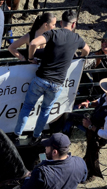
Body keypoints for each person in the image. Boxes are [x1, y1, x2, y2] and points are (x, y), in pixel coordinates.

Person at [13, 9, 90, 146]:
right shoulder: (77, 38)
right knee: (45, 110)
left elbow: (33, 43)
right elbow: (87, 51)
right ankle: (36, 136)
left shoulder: (53, 34)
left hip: (41, 78)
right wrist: (78, 59)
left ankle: (17, 135)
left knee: (27, 107)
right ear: (74, 24)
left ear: (61, 22)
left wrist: (30, 58)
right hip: (57, 83)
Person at [0, 133, 87, 189]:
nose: (45, 149)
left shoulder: (41, 172)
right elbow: (83, 179)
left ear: (54, 152)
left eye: (47, 147)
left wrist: (29, 178)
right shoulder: (80, 162)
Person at [80, 76, 107, 179]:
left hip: (98, 137)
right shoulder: (106, 97)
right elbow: (99, 101)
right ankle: (86, 167)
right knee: (90, 152)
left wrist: (90, 126)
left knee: (92, 155)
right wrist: (89, 103)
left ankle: (91, 175)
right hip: (94, 131)